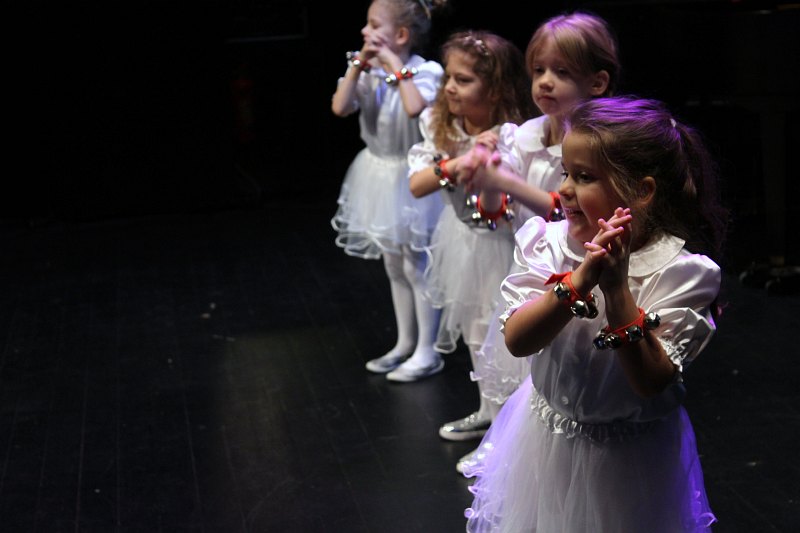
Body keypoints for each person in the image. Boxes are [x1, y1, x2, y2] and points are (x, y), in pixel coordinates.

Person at [463, 96, 728, 532]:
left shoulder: (683, 274)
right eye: (565, 173)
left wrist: (617, 289)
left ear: (641, 191)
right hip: (545, 443)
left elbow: (650, 382)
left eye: (584, 177)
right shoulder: (545, 242)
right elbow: (518, 340)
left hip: (629, 461)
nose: (565, 188)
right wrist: (578, 282)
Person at [438, 12, 620, 449]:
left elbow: (570, 214)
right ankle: (501, 439)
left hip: (575, 270)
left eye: (562, 73)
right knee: (505, 351)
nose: (545, 82)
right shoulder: (522, 136)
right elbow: (496, 211)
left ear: (597, 82)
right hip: (525, 264)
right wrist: (488, 176)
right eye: (538, 71)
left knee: (554, 366)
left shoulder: (600, 142)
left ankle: (537, 446)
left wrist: (506, 181)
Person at [406, 32, 533, 383]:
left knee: (505, 329)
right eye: (448, 77)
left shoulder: (512, 135)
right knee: (473, 331)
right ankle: (486, 406)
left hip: (506, 245)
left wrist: (484, 160)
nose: (449, 87)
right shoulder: (441, 124)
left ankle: (509, 409)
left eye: (463, 80)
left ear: (494, 89)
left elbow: (503, 211)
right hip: (462, 238)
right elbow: (417, 185)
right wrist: (456, 163)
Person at [330, 0, 447, 380]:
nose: (364, 32)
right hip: (377, 173)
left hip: (411, 176)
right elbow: (340, 107)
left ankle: (428, 350)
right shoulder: (367, 72)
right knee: (394, 263)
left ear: (400, 35)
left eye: (373, 24)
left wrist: (395, 66)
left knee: (417, 265)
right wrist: (357, 67)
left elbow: (415, 108)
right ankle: (404, 342)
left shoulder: (426, 72)